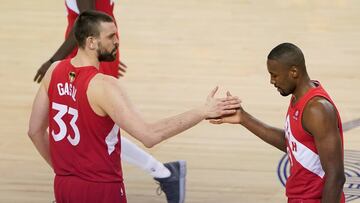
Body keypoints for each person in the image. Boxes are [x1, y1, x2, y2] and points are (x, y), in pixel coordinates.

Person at [28, 10, 241, 203]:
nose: (117, 41)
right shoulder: (104, 86)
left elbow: (35, 131)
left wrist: (64, 172)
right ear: (91, 42)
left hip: (63, 186)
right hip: (101, 189)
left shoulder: (54, 71)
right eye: (111, 37)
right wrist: (204, 111)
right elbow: (149, 135)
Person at [210, 43, 346, 203]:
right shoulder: (298, 97)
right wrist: (243, 118)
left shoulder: (317, 109)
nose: (271, 81)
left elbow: (336, 176)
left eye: (274, 75)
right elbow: (292, 144)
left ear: (293, 72)